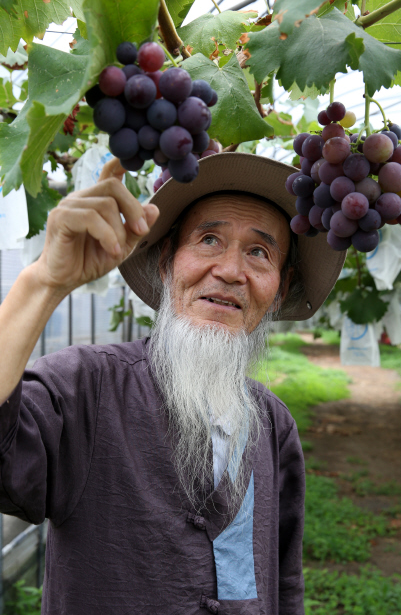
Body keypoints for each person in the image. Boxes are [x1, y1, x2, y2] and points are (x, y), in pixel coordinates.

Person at [0, 152, 346, 615]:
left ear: (278, 290)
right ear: (167, 262)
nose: (229, 271)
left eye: (258, 252)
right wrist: (42, 281)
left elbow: (283, 581)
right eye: (208, 240)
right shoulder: (88, 386)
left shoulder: (273, 424)